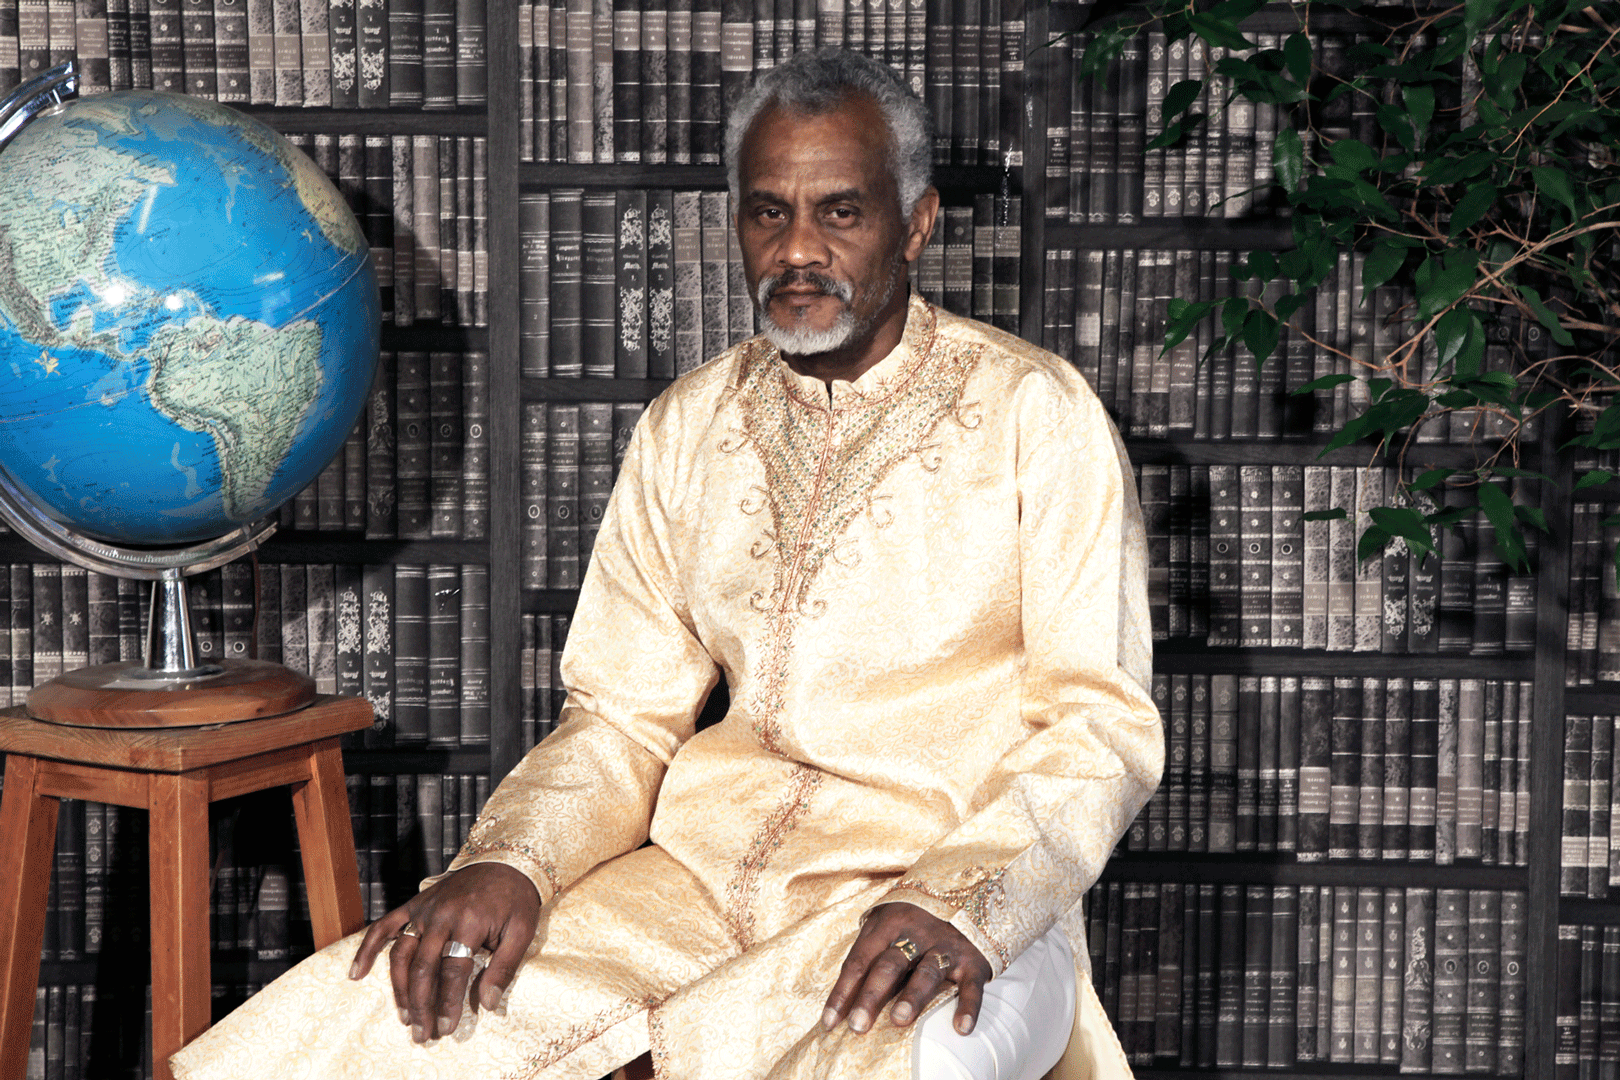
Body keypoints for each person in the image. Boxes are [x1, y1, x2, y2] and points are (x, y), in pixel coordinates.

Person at [171, 47, 1161, 1080]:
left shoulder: (1035, 415)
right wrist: (512, 859)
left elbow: (1100, 725)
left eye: (841, 212)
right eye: (768, 212)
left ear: (915, 224)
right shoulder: (690, 425)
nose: (798, 250)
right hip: (693, 887)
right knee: (384, 1017)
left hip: (917, 893)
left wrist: (961, 897)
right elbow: (621, 715)